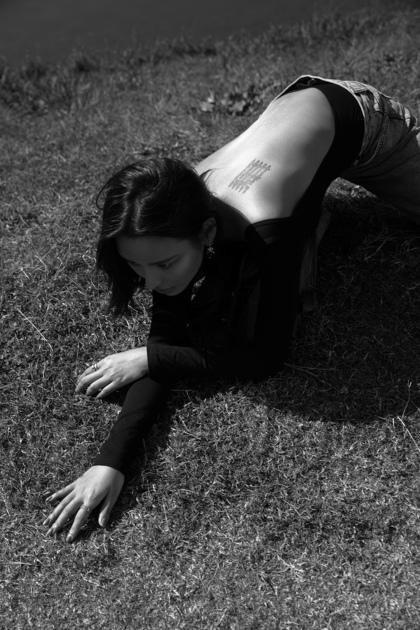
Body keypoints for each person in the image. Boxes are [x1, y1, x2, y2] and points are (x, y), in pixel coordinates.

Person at [43, 75, 420, 542]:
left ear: (205, 232)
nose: (153, 282)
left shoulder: (264, 229)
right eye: (136, 266)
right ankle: (308, 204)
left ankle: (307, 210)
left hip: (366, 123)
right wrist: (110, 462)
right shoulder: (169, 217)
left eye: (164, 264)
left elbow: (266, 357)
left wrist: (150, 357)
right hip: (295, 120)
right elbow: (169, 332)